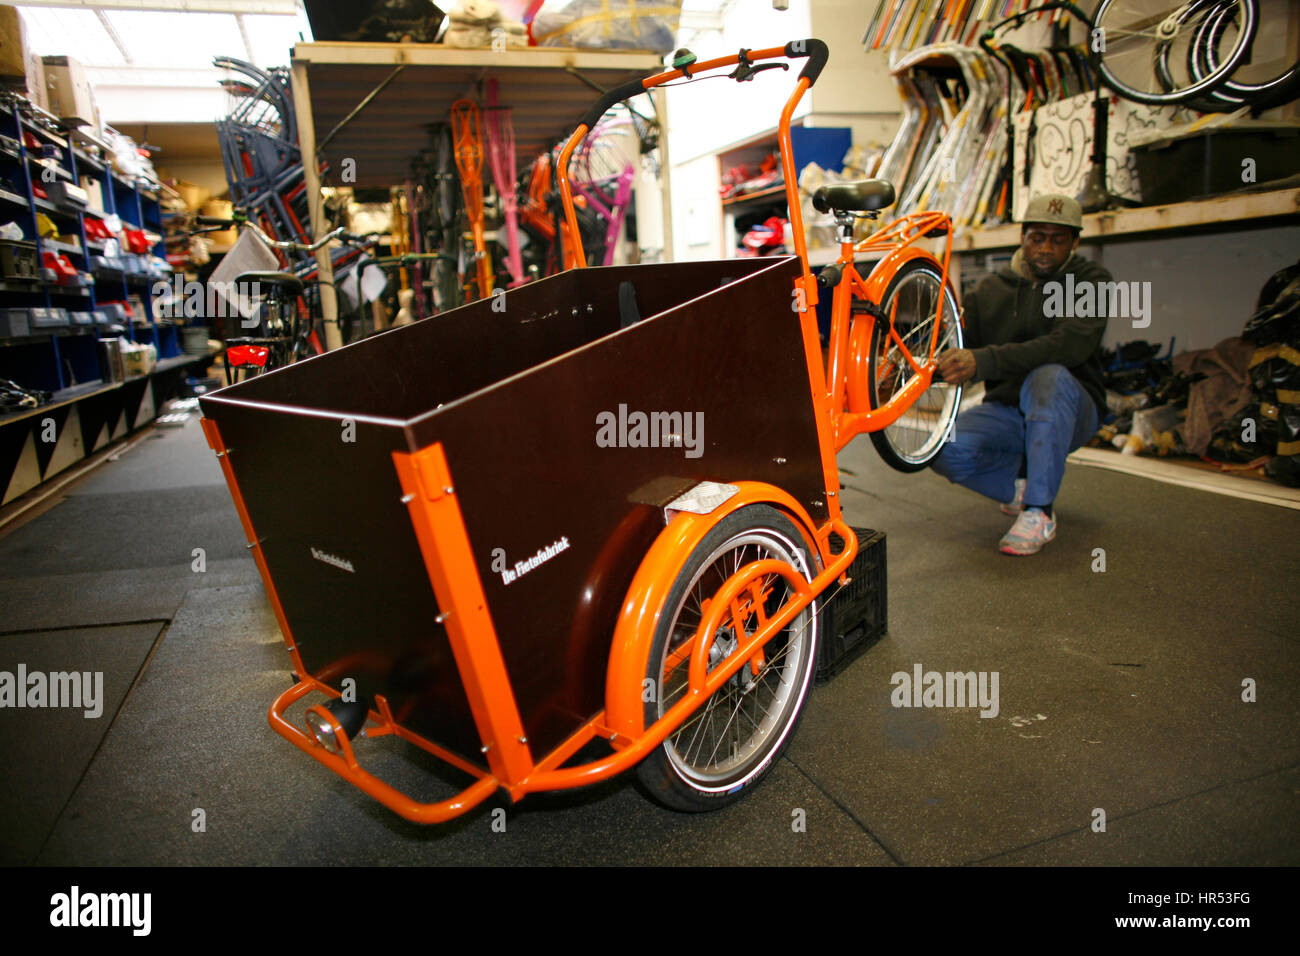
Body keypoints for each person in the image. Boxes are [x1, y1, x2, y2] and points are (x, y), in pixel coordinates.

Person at [932, 194, 1111, 555]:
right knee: (941, 446)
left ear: (1075, 243)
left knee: (1048, 375)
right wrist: (912, 373)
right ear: (1023, 237)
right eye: (1037, 237)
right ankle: (1021, 489)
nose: (1046, 248)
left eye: (1058, 240)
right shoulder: (988, 290)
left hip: (1071, 407)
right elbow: (964, 352)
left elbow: (1068, 347)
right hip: (1009, 410)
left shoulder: (1092, 281)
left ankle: (1039, 511)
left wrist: (983, 361)